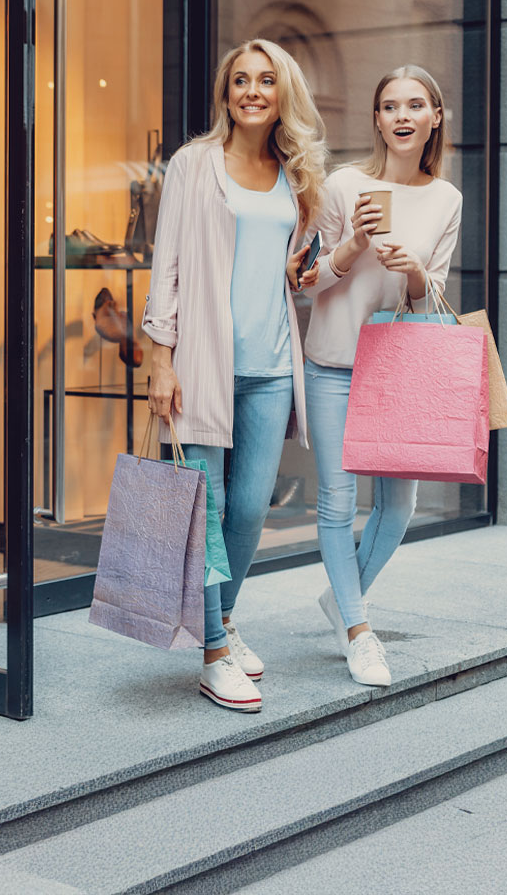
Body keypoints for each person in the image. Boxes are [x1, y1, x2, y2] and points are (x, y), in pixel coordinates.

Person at [143, 38, 327, 713]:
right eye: (241, 80)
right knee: (207, 512)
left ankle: (221, 620)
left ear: (283, 94)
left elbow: (291, 263)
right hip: (203, 363)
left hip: (272, 365)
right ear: (226, 92)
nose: (252, 91)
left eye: (266, 80)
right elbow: (167, 261)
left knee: (250, 508)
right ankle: (214, 653)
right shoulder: (194, 164)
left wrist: (301, 270)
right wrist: (160, 357)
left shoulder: (295, 175)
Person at [289, 64, 462, 689]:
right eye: (390, 106)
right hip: (333, 365)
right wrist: (353, 246)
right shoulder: (344, 185)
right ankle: (360, 633)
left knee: (399, 505)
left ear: (435, 118)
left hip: (397, 370)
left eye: (415, 105)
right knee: (337, 503)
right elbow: (303, 280)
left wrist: (413, 270)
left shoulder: (446, 199)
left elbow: (429, 296)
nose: (402, 116)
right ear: (378, 120)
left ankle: (342, 600)